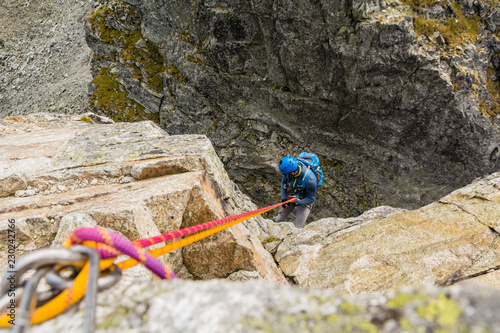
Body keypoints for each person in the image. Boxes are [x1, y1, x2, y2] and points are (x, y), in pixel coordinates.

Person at [275, 156, 318, 228]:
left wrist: (296, 203)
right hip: (293, 194)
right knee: (279, 219)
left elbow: (311, 198)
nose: (286, 176)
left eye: (288, 174)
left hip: (305, 199)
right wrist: (284, 198)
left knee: (297, 227)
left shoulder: (310, 179)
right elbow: (283, 183)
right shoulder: (288, 172)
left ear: (293, 171)